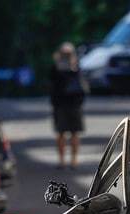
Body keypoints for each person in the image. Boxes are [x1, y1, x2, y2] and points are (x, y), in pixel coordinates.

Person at [50, 42, 86, 170]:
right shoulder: (68, 66)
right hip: (66, 104)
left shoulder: (72, 66)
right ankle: (66, 160)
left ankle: (70, 160)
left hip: (69, 104)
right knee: (65, 133)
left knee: (71, 133)